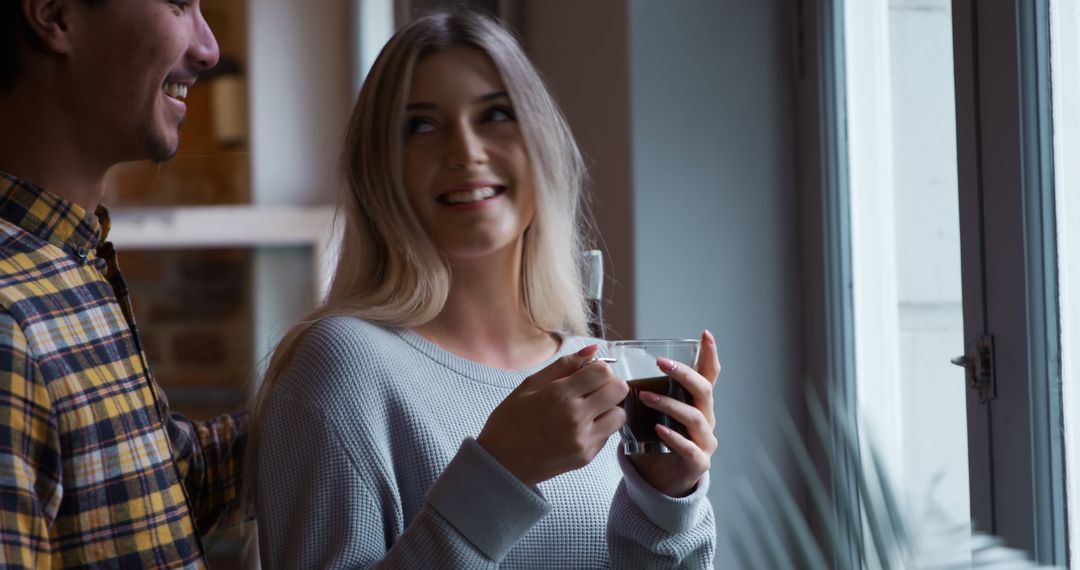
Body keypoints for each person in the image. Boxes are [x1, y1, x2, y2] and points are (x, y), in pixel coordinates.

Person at [253, 10, 720, 568]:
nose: (465, 151)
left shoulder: (593, 370)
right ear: (380, 169)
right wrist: (500, 472)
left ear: (542, 145)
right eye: (421, 126)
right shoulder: (339, 365)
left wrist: (666, 502)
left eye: (496, 114)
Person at [0, 0, 246, 566]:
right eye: (179, 5)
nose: (208, 48)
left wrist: (352, 376)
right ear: (56, 14)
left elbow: (160, 482)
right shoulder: (9, 319)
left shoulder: (66, 257)